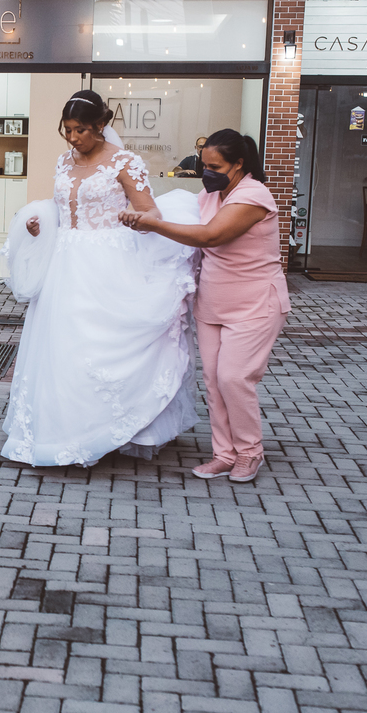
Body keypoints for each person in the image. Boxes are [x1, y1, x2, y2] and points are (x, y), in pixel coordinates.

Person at [0, 90, 200, 466]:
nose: (73, 138)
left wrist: (135, 219)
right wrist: (39, 224)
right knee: (63, 346)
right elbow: (62, 208)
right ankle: (64, 430)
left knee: (99, 343)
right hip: (65, 263)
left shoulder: (125, 162)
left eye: (80, 130)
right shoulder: (64, 161)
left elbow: (151, 213)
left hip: (110, 262)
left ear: (101, 126)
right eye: (68, 130)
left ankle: (113, 427)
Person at [121, 129, 290, 483]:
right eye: (204, 166)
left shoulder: (253, 195)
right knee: (214, 382)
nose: (207, 173)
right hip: (213, 303)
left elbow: (211, 236)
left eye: (215, 167)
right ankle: (224, 454)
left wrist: (156, 225)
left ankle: (249, 452)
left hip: (256, 303)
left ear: (239, 164)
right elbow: (182, 226)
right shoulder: (210, 194)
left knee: (234, 378)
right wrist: (144, 223)